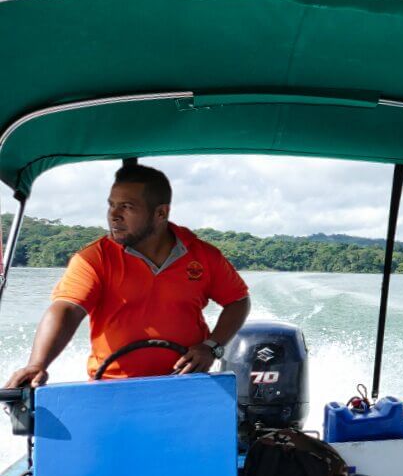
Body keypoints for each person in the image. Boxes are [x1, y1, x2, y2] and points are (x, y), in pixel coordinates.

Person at [3, 164, 251, 387]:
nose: (114, 214)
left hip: (186, 383)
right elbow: (67, 308)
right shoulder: (94, 258)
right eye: (112, 204)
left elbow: (238, 300)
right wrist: (37, 364)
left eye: (127, 207)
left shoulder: (203, 256)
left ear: (161, 213)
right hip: (112, 386)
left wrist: (212, 347)